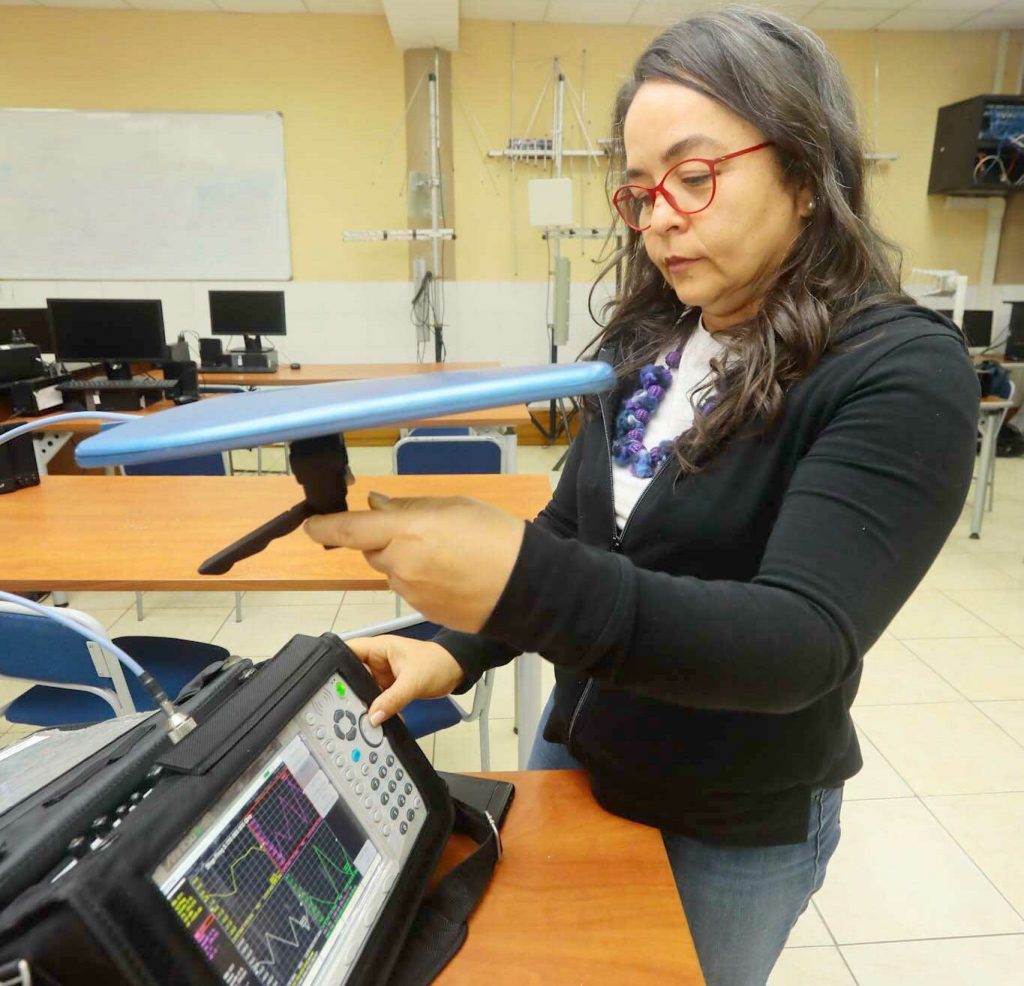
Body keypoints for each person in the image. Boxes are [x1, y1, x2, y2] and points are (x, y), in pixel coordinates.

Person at [305, 8, 979, 985]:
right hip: (577, 756)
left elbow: (797, 642)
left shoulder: (898, 372)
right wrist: (453, 646)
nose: (659, 217)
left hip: (726, 824)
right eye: (639, 192)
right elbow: (578, 529)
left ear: (805, 173)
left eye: (693, 176)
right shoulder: (653, 340)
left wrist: (520, 581)